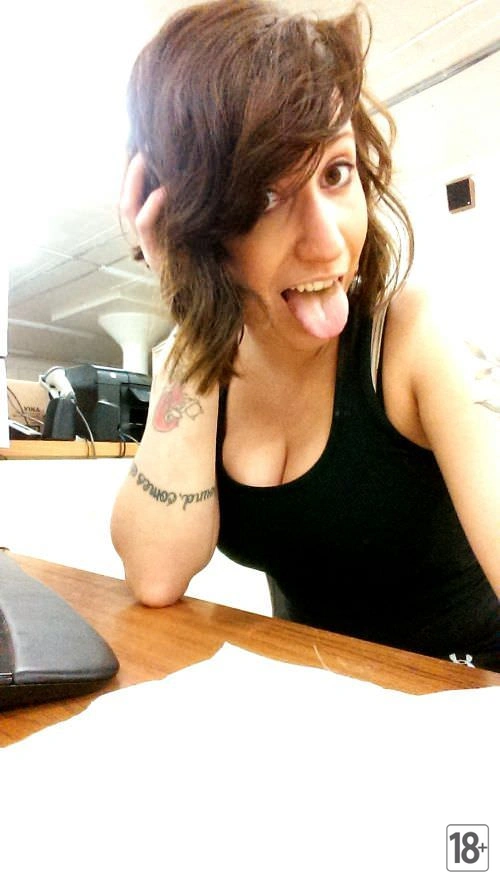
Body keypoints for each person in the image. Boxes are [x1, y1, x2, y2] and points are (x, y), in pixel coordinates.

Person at [112, 0, 500, 672]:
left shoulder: (409, 336)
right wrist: (192, 309)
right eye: (266, 194)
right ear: (192, 219)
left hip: (466, 696)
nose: (327, 243)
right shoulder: (199, 366)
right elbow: (155, 575)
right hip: (319, 704)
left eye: (336, 173)